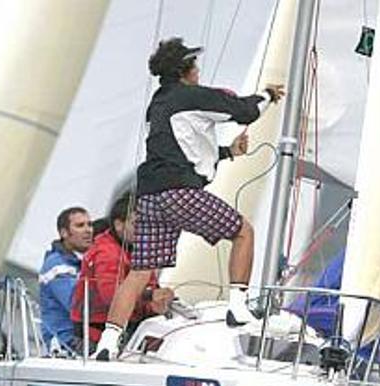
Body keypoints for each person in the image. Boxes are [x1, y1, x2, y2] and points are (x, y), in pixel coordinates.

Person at [92, 37, 285, 360]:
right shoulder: (189, 96)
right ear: (186, 70)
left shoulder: (158, 103)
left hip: (150, 198)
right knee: (243, 231)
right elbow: (244, 111)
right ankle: (237, 308)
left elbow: (180, 150)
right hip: (179, 194)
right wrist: (268, 95)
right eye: (194, 64)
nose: (198, 69)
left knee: (140, 272)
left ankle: (107, 344)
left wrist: (227, 152)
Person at [72, 195, 174, 348]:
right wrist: (151, 296)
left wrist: (160, 299)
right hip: (96, 335)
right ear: (119, 225)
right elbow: (111, 295)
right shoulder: (107, 253)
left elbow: (150, 286)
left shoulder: (138, 251)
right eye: (137, 224)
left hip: (130, 327)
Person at [39, 206, 93, 354]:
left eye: (90, 224)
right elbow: (78, 305)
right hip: (65, 345)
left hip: (83, 341)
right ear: (64, 233)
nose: (88, 230)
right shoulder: (56, 266)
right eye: (80, 226)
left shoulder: (84, 261)